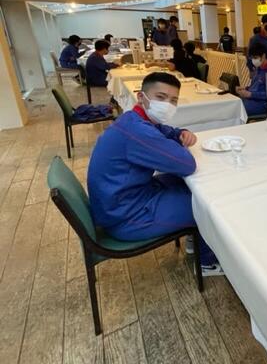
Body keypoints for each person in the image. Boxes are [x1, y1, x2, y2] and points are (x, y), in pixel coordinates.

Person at [87, 72, 223, 276]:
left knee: (186, 185)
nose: (167, 105)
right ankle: (206, 262)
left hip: (122, 200)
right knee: (205, 204)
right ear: (141, 97)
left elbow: (162, 130)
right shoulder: (138, 131)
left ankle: (194, 241)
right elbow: (186, 164)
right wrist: (176, 145)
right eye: (161, 97)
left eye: (173, 100)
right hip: (127, 217)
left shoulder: (133, 119)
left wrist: (179, 133)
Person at [237, 41, 267, 117]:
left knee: (239, 108)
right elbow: (255, 86)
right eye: (252, 58)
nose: (253, 60)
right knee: (235, 103)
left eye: (255, 58)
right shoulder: (258, 69)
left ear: (263, 56)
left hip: (262, 104)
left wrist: (250, 94)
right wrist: (245, 89)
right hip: (252, 100)